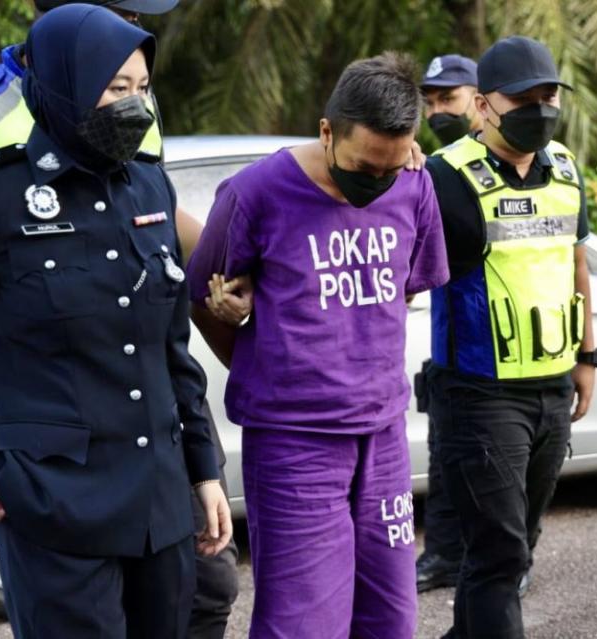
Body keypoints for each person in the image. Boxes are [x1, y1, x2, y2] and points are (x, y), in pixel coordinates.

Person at [0, 6, 232, 638]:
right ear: (63, 86)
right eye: (115, 90)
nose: (135, 106)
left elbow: (172, 349)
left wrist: (203, 469)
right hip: (54, 506)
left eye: (142, 89)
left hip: (159, 508)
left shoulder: (150, 189)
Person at [186, 52, 449, 639]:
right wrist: (265, 359)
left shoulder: (414, 183)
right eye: (363, 167)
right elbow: (207, 301)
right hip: (294, 444)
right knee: (303, 623)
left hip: (382, 436)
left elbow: (397, 293)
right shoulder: (255, 193)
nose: (377, 181)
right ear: (327, 132)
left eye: (391, 166)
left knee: (392, 617)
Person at [425, 36, 597, 638]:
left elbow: (575, 264)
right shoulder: (444, 178)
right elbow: (404, 273)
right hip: (480, 394)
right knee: (500, 557)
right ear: (482, 107)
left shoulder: (565, 168)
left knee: (509, 549)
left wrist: (588, 357)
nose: (539, 107)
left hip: (552, 387)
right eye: (521, 98)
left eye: (548, 94)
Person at [414, 52, 483, 595]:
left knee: (496, 468)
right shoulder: (431, 167)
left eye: (449, 98)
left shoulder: (500, 166)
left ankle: (506, 562)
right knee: (445, 457)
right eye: (431, 101)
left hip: (501, 349)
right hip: (448, 344)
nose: (438, 110)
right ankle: (441, 557)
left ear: (479, 100)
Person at [421, 54, 482, 147]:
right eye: (429, 103)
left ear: (479, 99)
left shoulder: (508, 155)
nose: (436, 111)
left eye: (447, 99)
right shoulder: (432, 160)